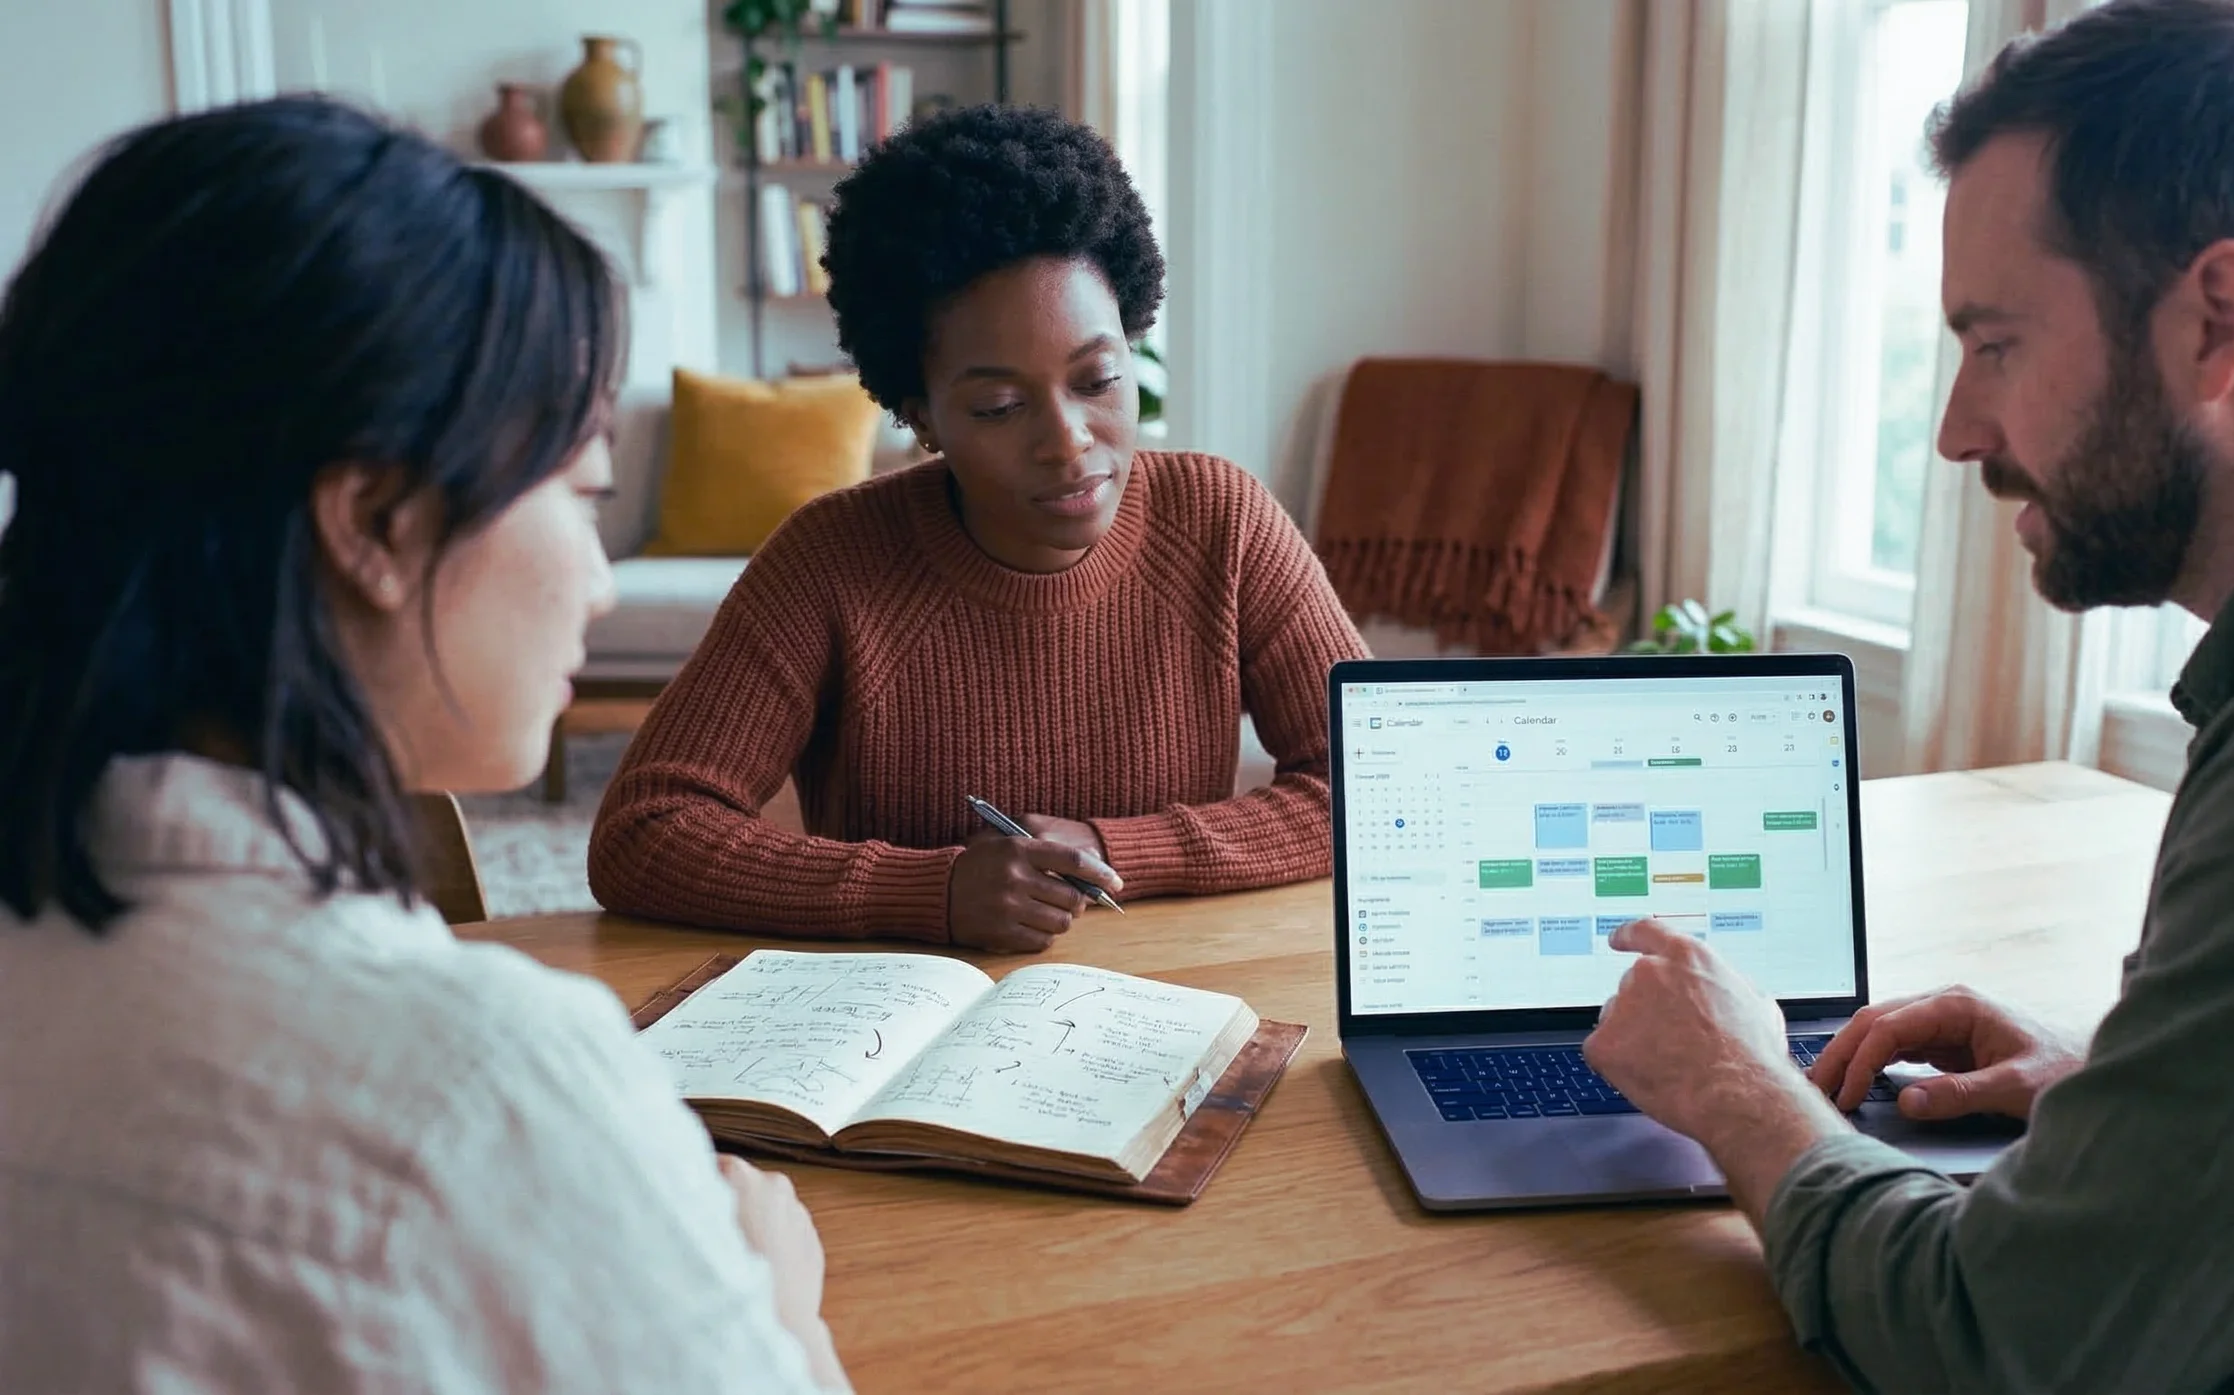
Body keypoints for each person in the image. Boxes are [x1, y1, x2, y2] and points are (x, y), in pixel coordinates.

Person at [1582, 2, 2234, 1389]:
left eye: (1996, 343)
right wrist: (2125, 1098)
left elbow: (2000, 1341)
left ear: (2218, 320)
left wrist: (1734, 1086)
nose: (1956, 429)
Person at [0, 98, 847, 1392]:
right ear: (378, 521)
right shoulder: (476, 1083)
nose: (602, 586)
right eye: (580, 495)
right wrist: (780, 1309)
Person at [588, 105, 1366, 952]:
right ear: (922, 418)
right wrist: (933, 888)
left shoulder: (1222, 520)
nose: (1069, 439)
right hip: (901, 1029)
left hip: (1165, 1004)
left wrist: (1112, 849)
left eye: (1100, 379)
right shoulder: (830, 560)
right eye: (999, 406)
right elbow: (645, 831)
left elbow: (1378, 785)